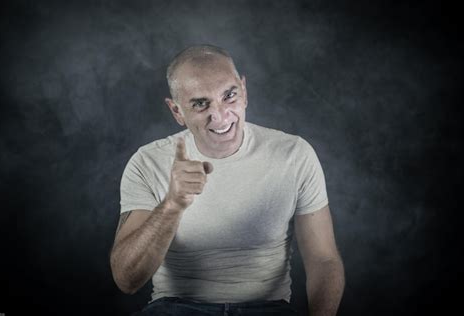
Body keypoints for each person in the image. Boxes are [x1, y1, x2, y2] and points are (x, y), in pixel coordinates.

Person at [110, 44, 345, 316]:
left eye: (229, 96)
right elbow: (127, 280)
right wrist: (172, 205)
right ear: (176, 111)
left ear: (244, 92)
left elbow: (324, 259)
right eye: (200, 103)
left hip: (267, 309)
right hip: (176, 307)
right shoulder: (148, 162)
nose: (220, 116)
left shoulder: (294, 154)